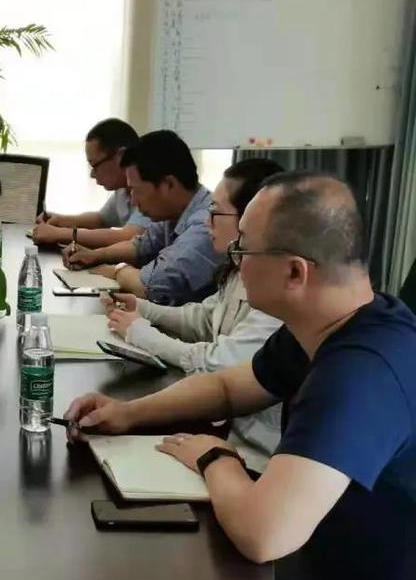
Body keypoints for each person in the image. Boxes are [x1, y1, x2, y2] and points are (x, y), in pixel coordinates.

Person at [63, 172, 416, 580]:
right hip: (323, 565)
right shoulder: (327, 324)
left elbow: (263, 533)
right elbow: (229, 387)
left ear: (295, 272)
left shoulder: (361, 373)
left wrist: (215, 457)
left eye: (244, 249)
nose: (233, 260)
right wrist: (128, 412)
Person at [100, 158, 284, 471]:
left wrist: (140, 332)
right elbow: (204, 318)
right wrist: (143, 309)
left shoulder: (275, 291)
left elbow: (217, 365)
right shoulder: (241, 269)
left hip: (253, 456)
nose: (207, 223)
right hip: (226, 433)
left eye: (216, 213)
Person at [63, 129, 222, 306]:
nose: (133, 201)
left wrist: (118, 270)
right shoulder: (173, 213)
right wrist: (95, 255)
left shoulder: (206, 224)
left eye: (136, 190)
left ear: (168, 184)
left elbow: (153, 286)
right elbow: (140, 246)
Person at [32, 118, 150, 248]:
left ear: (121, 156)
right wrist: (61, 220)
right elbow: (101, 219)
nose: (92, 174)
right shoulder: (122, 190)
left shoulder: (150, 186)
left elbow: (128, 237)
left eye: (95, 165)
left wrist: (59, 234)